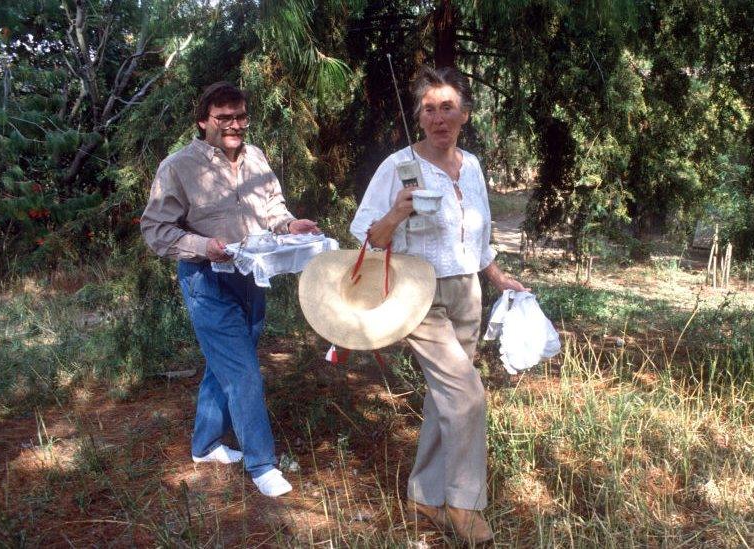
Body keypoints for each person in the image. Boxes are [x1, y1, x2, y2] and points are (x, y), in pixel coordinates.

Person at [350, 66, 528, 544]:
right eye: (429, 109)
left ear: (464, 115)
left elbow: (479, 233)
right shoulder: (397, 166)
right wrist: (397, 210)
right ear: (419, 117)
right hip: (417, 294)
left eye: (447, 107)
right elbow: (365, 234)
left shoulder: (471, 166)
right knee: (467, 395)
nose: (438, 117)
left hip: (466, 290)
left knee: (446, 396)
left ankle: (425, 496)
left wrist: (495, 276)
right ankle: (465, 506)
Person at [141, 81, 319, 497]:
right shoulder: (178, 167)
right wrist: (204, 247)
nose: (234, 125)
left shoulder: (256, 156)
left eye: (240, 116)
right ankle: (262, 464)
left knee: (225, 363)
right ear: (203, 121)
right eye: (224, 118)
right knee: (243, 373)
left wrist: (291, 224)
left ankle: (204, 446)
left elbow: (272, 207)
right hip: (207, 279)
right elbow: (155, 231)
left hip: (252, 277)